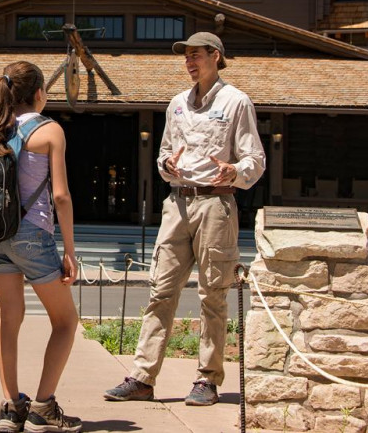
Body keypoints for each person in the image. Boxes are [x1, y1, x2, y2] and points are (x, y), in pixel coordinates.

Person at [105, 32, 265, 407]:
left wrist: (235, 172)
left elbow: (255, 159)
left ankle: (207, 381)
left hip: (216, 205)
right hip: (176, 204)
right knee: (160, 290)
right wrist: (167, 164)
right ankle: (142, 378)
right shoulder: (176, 104)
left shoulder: (236, 101)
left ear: (216, 56)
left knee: (213, 295)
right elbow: (163, 153)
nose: (189, 62)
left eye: (196, 55)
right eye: (186, 57)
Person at [0, 62, 81, 433]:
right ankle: (43, 408)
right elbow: (60, 196)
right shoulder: (49, 130)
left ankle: (10, 408)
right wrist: (69, 251)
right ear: (39, 93)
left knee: (9, 319)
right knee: (66, 322)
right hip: (32, 234)